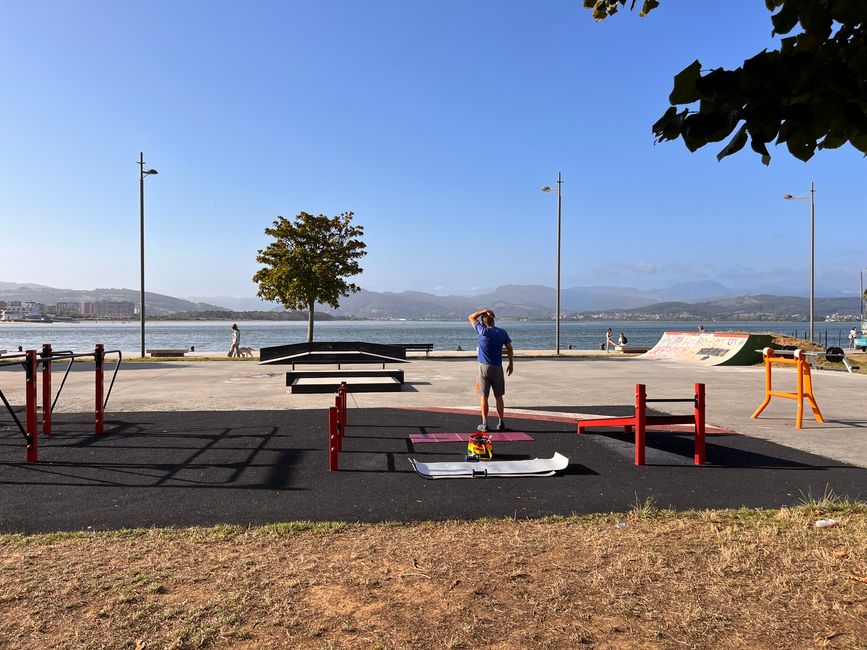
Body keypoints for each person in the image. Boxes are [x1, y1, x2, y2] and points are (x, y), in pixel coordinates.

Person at [468, 308, 513, 432]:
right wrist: (511, 364)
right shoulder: (502, 332)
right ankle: (501, 421)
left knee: (484, 396)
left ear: (483, 322)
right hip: (497, 367)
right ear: (493, 321)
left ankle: (484, 423)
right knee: (499, 396)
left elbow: (471, 317)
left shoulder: (482, 331)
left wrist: (484, 310)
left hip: (484, 367)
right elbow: (509, 348)